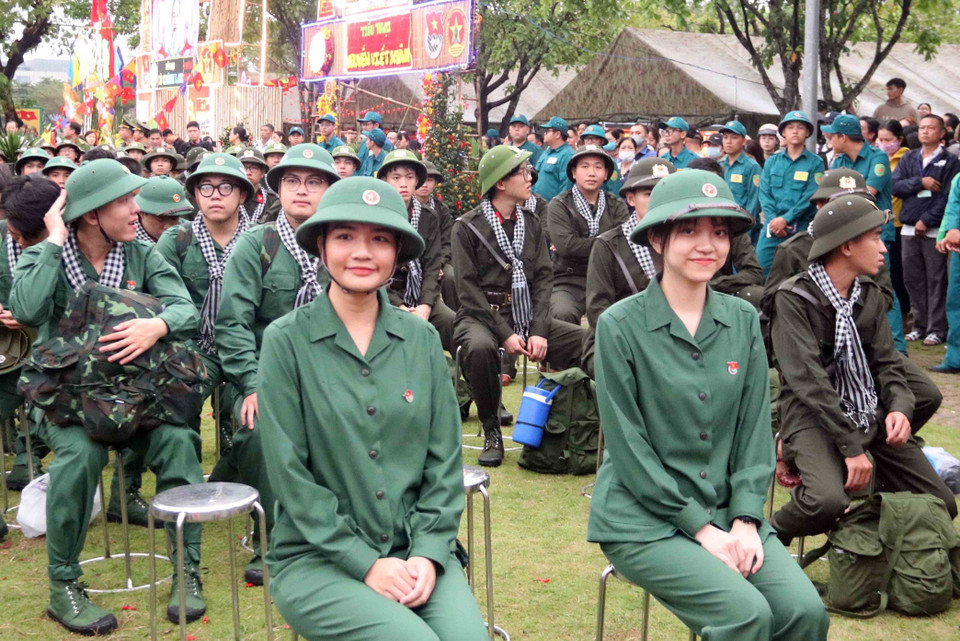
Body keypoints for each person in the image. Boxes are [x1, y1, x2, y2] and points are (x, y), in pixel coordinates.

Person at [588, 168, 829, 641]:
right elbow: (630, 449)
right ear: (657, 239)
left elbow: (753, 430)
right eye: (689, 230)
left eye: (719, 232)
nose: (707, 245)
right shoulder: (619, 325)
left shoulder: (742, 318)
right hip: (644, 520)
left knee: (805, 612)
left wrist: (743, 519)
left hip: (727, 512)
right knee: (745, 615)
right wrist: (701, 529)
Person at [257, 177, 487, 641]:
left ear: (397, 253)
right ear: (321, 247)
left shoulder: (421, 341)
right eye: (345, 237)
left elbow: (443, 463)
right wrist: (366, 564)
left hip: (415, 549)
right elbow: (289, 475)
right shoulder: (286, 341)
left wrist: (426, 551)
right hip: (317, 558)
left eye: (379, 239)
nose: (362, 252)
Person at [9, 159, 206, 634]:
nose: (136, 209)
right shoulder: (50, 254)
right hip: (69, 403)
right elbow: (27, 308)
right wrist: (54, 237)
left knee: (179, 444)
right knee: (79, 458)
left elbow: (184, 307)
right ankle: (63, 585)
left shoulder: (141, 254)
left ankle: (188, 572)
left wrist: (155, 324)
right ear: (93, 213)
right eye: (124, 200)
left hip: (138, 395)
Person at [769, 195, 957, 543]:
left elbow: (888, 364)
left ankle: (866, 546)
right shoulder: (792, 299)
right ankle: (766, 536)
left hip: (866, 411)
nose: (882, 247)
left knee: (941, 502)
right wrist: (851, 448)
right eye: (873, 237)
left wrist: (900, 408)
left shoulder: (867, 294)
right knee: (825, 501)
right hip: (813, 416)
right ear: (847, 245)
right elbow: (808, 383)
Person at [214, 144, 340, 582]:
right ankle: (271, 538)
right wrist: (251, 384)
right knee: (264, 429)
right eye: (291, 181)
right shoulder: (257, 244)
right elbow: (232, 325)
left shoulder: (341, 242)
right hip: (263, 372)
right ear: (277, 190)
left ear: (330, 190)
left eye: (314, 181)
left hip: (329, 372)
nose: (301, 190)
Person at [454, 145, 586, 466]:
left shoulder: (531, 223)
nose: (531, 178)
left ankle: (583, 426)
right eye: (524, 172)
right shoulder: (467, 227)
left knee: (590, 341)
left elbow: (543, 279)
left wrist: (539, 330)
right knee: (482, 347)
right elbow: (467, 290)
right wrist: (504, 333)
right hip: (482, 316)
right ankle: (491, 431)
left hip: (527, 315)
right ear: (500, 182)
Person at [581, 158, 674, 376]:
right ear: (631, 199)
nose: (659, 201)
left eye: (666, 192)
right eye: (649, 195)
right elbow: (598, 309)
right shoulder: (608, 244)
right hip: (621, 336)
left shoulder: (685, 241)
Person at [825, 113, 905, 350]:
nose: (829, 139)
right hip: (847, 234)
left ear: (842, 137)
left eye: (833, 135)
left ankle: (897, 346)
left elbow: (869, 191)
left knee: (881, 287)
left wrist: (839, 198)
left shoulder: (877, 157)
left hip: (875, 233)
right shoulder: (839, 162)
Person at [0, 174, 56, 491]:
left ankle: (26, 461)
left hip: (53, 351)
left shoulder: (66, 246)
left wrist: (27, 314)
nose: (20, 241)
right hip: (9, 354)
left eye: (29, 237)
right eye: (15, 234)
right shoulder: (4, 236)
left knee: (46, 412)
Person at [376, 150, 455, 351]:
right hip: (382, 294)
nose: (403, 183)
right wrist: (400, 306)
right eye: (396, 177)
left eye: (409, 177)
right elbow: (374, 271)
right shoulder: (375, 217)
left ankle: (456, 380)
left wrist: (426, 305)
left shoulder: (429, 217)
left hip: (420, 292)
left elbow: (432, 265)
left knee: (450, 323)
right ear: (384, 180)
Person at [892, 114, 960, 346]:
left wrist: (927, 219)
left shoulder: (951, 162)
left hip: (933, 229)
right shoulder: (909, 157)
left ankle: (936, 328)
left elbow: (948, 198)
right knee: (912, 279)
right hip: (908, 228)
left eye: (931, 128)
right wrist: (920, 182)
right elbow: (895, 185)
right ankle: (918, 324)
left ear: (942, 133)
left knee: (936, 279)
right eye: (922, 128)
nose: (925, 131)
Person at [547, 144, 630, 324]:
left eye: (598, 167)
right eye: (585, 166)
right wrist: (606, 244)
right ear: (574, 172)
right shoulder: (559, 205)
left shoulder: (616, 205)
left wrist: (583, 243)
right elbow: (566, 246)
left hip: (609, 280)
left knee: (622, 317)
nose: (592, 173)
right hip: (569, 280)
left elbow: (623, 244)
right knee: (563, 313)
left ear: (606, 174)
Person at [756, 111, 824, 275]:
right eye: (790, 127)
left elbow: (811, 196)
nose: (795, 131)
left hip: (801, 227)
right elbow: (764, 194)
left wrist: (786, 219)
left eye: (800, 128)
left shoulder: (816, 163)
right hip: (772, 227)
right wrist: (774, 221)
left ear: (807, 133)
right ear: (783, 133)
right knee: (760, 268)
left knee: (802, 273)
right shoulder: (772, 161)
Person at [878, 120, 911, 319]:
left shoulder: (906, 157)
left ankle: (905, 311)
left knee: (899, 272)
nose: (884, 143)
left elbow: (900, 186)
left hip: (900, 221)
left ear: (899, 139)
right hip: (883, 220)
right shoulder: (877, 158)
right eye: (880, 139)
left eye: (888, 140)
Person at [718, 121, 762, 243]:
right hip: (722, 223)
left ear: (743, 141)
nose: (728, 141)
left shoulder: (752, 166)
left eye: (734, 137)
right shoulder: (720, 165)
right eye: (725, 137)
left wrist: (746, 227)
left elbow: (754, 201)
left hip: (743, 226)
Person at [134, 176, 193, 243]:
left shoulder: (190, 233)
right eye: (161, 218)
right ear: (142, 213)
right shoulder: (128, 243)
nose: (169, 226)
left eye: (175, 217)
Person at [532, 116, 575, 201]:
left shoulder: (567, 155)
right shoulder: (546, 152)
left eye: (547, 131)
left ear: (557, 134)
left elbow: (566, 186)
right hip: (538, 205)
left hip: (553, 208)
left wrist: (557, 206)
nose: (544, 133)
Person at [238, 147, 281, 224]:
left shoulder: (272, 201)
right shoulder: (228, 199)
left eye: (254, 168)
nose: (248, 172)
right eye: (244, 168)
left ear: (262, 173)